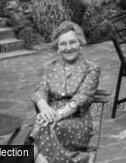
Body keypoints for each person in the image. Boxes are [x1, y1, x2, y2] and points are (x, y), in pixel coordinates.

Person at [31, 21, 100, 163]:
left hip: (77, 121)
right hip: (49, 119)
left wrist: (59, 114)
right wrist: (44, 109)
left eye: (72, 42)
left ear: (80, 43)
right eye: (63, 44)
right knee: (41, 158)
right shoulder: (48, 67)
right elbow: (40, 90)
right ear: (58, 47)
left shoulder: (91, 68)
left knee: (44, 128)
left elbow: (82, 97)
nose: (68, 48)